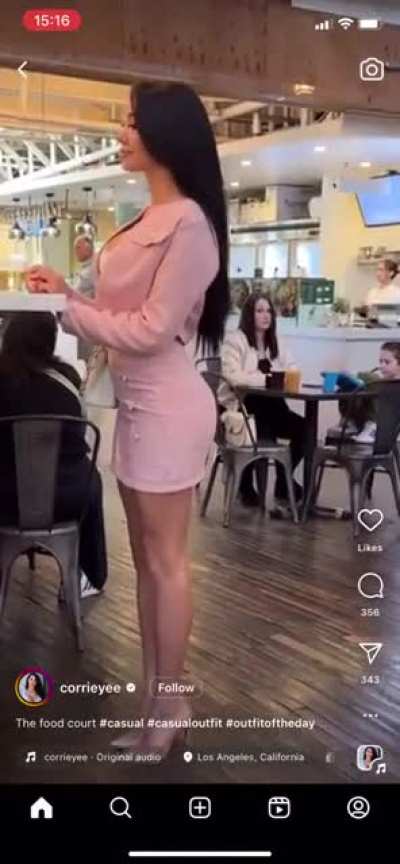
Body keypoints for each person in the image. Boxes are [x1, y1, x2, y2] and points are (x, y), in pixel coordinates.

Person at [26, 81, 230, 758]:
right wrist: (66, 293)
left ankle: (169, 705)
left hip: (169, 409)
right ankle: (158, 704)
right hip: (138, 408)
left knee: (166, 565)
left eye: (133, 121)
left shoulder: (190, 225)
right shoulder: (147, 218)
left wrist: (69, 309)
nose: (121, 131)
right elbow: (117, 316)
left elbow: (149, 328)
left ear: (166, 133)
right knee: (147, 566)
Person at [0, 312, 107, 599]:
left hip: (5, 498)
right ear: (50, 341)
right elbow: (80, 437)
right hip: (66, 498)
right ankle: (88, 574)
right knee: (91, 476)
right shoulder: (68, 380)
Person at [219, 292, 305, 506]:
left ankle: (284, 481)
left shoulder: (276, 341)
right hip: (240, 409)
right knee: (262, 419)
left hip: (272, 408)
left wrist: (283, 377)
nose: (266, 315)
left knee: (305, 429)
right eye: (259, 311)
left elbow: (293, 368)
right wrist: (267, 380)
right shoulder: (235, 340)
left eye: (269, 311)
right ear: (249, 315)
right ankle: (245, 484)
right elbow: (234, 377)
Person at [336, 341, 400, 444]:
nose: (382, 366)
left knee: (372, 380)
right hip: (366, 420)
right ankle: (350, 422)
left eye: (387, 362)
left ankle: (373, 426)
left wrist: (361, 375)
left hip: (388, 422)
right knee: (350, 387)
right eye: (380, 361)